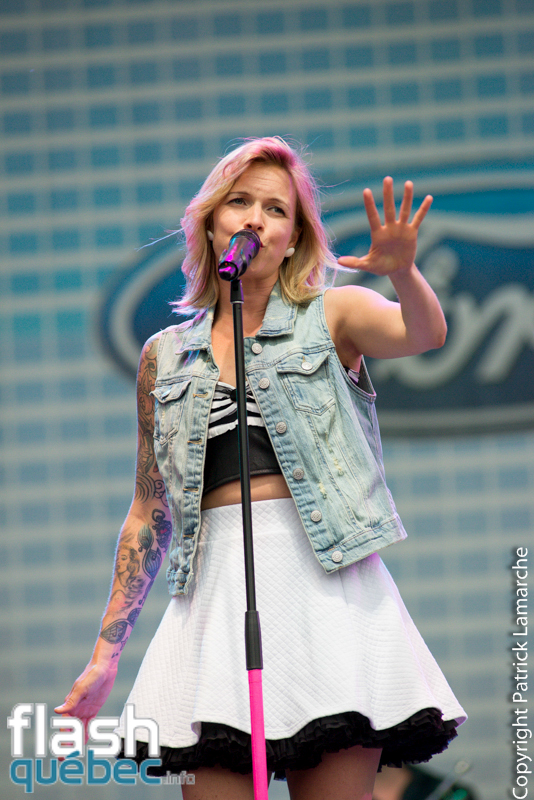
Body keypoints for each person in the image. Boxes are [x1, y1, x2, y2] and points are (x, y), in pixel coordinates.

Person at [55, 136, 466, 800]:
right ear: (209, 223)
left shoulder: (333, 313)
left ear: (293, 236)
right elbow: (149, 511)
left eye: (276, 209)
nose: (255, 219)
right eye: (239, 202)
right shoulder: (165, 356)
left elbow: (424, 334)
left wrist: (403, 274)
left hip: (327, 593)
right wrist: (106, 655)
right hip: (213, 598)